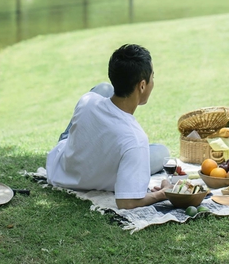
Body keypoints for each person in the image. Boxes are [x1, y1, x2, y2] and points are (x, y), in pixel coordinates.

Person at [46, 44, 172, 209]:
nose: (153, 82)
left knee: (102, 88)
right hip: (101, 172)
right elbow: (126, 202)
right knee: (163, 152)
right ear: (142, 85)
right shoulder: (135, 140)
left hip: (61, 168)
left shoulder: (87, 101)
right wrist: (163, 193)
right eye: (152, 77)